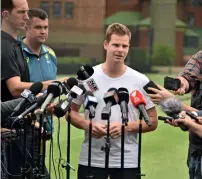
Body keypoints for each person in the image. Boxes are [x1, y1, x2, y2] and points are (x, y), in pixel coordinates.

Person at [70, 23, 158, 179]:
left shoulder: (140, 80)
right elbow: (71, 112)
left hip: (127, 161)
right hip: (91, 159)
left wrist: (126, 127)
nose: (120, 50)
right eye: (116, 45)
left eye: (125, 46)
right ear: (105, 45)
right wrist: (88, 125)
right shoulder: (88, 77)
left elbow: (152, 121)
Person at [146, 50, 202, 179]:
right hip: (196, 148)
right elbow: (189, 75)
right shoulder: (201, 56)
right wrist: (181, 83)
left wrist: (174, 103)